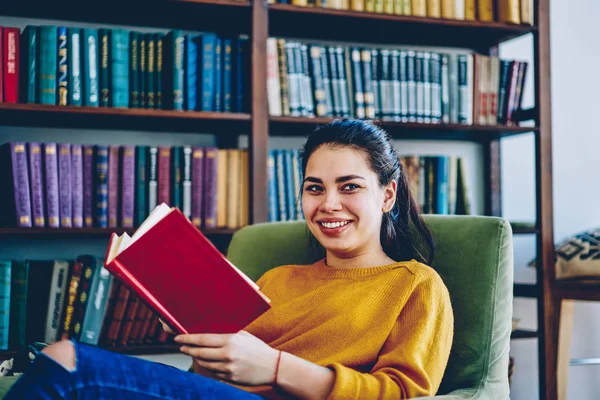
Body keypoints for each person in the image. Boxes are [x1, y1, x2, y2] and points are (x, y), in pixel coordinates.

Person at [4, 119, 454, 399]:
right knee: (55, 359)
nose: (328, 204)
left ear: (388, 193)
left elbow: (403, 393)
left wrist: (276, 368)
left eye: (350, 186)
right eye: (314, 188)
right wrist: (194, 334)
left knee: (67, 361)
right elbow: (209, 377)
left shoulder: (415, 285)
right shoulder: (278, 279)